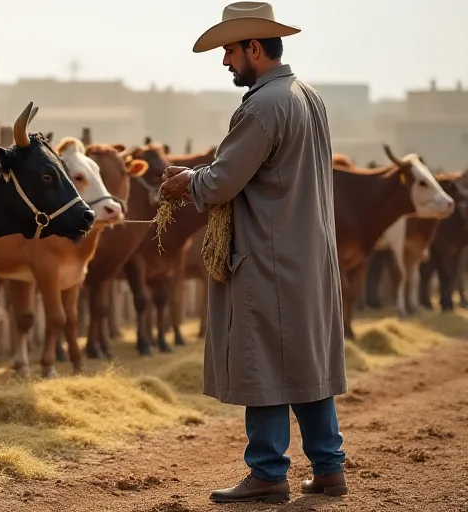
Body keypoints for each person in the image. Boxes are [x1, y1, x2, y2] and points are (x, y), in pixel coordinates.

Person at [159, 1, 348, 504]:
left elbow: (221, 182)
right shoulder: (306, 95)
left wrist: (185, 182)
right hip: (306, 253)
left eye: (229, 51)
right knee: (304, 362)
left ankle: (267, 472)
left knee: (262, 361)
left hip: (270, 257)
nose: (225, 62)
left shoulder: (264, 105)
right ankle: (329, 467)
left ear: (254, 48)